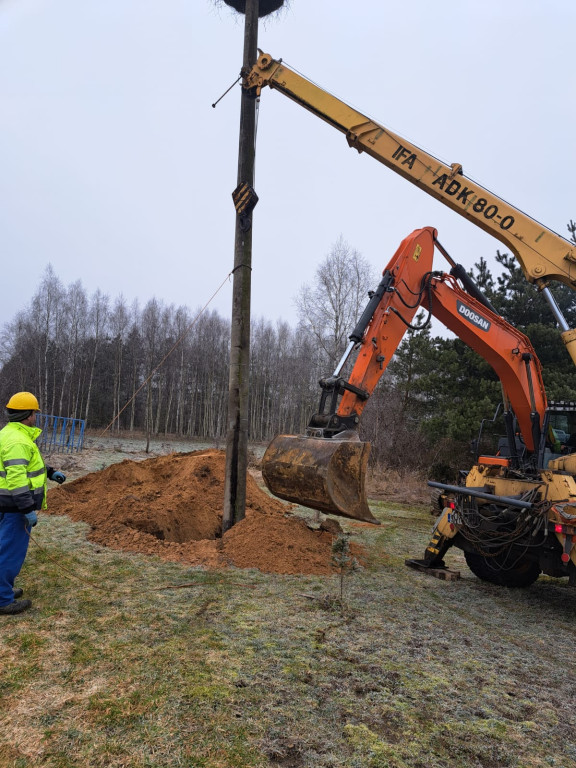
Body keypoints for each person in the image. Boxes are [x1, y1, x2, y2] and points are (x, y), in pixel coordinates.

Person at [0, 392, 66, 615]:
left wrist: (50, 472)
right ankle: (2, 599)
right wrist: (27, 509)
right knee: (9, 553)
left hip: (7, 505)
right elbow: (17, 479)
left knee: (3, 549)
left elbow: (25, 465)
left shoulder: (11, 434)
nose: (36, 416)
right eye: (35, 413)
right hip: (13, 508)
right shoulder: (18, 440)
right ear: (28, 414)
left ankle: (3, 589)